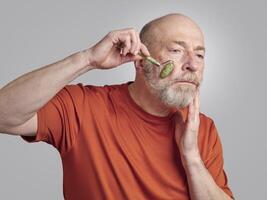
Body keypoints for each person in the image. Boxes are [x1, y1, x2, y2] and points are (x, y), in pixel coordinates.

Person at [0, 13, 234, 200]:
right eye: (177, 50)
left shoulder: (202, 128)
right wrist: (88, 59)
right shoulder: (84, 107)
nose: (192, 64)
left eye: (200, 55)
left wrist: (191, 158)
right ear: (142, 62)